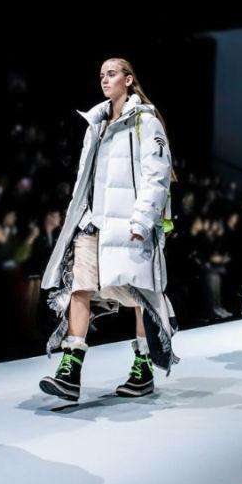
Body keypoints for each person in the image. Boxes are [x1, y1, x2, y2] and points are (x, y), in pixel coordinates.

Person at [39, 57, 176, 401]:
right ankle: (70, 370)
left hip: (129, 225)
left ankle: (143, 368)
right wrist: (78, 216)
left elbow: (157, 174)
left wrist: (142, 220)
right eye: (101, 75)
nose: (104, 79)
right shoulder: (96, 123)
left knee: (139, 295)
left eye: (112, 74)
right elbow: (86, 178)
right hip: (93, 222)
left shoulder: (146, 122)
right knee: (79, 287)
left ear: (128, 79)